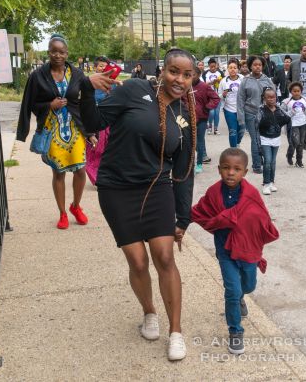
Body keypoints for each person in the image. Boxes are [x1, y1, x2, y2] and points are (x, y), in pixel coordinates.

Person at [80, 48, 197, 361]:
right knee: (138, 262)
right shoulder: (134, 90)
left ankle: (176, 331)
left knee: (163, 256)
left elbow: (183, 172)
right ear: (162, 70)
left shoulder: (185, 117)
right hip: (116, 189)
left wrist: (182, 219)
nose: (179, 79)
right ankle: (149, 313)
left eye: (187, 75)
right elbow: (94, 120)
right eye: (174, 71)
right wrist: (87, 87)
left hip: (157, 189)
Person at [191, 148, 279, 355]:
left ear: (245, 172)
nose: (231, 172)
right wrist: (181, 220)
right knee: (231, 290)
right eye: (226, 168)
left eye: (237, 169)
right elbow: (200, 211)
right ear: (219, 169)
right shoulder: (213, 192)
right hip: (225, 250)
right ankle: (235, 331)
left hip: (248, 249)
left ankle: (242, 296)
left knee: (248, 285)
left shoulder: (251, 194)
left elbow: (261, 219)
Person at [16, 34, 91, 230]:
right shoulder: (38, 76)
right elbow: (29, 103)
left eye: (61, 52)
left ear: (67, 54)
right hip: (52, 130)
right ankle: (62, 213)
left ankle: (75, 206)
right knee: (58, 172)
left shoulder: (76, 74)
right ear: (48, 52)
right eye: (53, 51)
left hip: (75, 129)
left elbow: (85, 103)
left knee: (81, 170)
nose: (57, 55)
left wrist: (91, 131)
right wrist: (50, 104)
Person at [237, 55, 275, 174]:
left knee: (264, 139)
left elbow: (274, 97)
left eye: (260, 65)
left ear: (263, 66)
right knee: (255, 139)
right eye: (255, 65)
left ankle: (264, 160)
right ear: (250, 66)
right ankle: (257, 166)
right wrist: (241, 118)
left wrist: (274, 112)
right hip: (250, 114)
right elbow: (240, 99)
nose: (257, 67)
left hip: (265, 114)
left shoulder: (267, 80)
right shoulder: (246, 80)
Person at [85, 56, 115, 185]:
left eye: (105, 66)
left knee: (108, 150)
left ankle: (104, 176)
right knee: (96, 150)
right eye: (101, 66)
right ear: (95, 67)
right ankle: (96, 177)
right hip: (94, 122)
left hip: (108, 121)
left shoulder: (110, 82)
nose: (103, 68)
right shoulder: (89, 82)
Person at [257, 87, 291, 195]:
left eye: (273, 97)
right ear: (264, 98)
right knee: (267, 161)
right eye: (269, 97)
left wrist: (279, 108)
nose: (271, 99)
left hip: (276, 139)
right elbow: (256, 125)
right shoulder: (261, 110)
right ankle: (266, 184)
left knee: (273, 162)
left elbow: (287, 118)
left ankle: (271, 182)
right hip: (265, 139)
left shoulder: (278, 109)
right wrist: (257, 142)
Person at [191, 66, 221, 174]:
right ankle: (190, 164)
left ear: (199, 75)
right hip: (188, 118)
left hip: (202, 118)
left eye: (193, 74)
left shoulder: (204, 86)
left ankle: (199, 164)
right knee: (190, 142)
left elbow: (216, 98)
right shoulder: (185, 86)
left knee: (199, 141)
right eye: (189, 74)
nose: (191, 77)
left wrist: (207, 107)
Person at [281, 82, 306, 168]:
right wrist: (292, 112)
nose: (296, 93)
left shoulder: (305, 100)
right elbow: (282, 114)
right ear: (291, 92)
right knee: (295, 142)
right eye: (294, 91)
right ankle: (289, 155)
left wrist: (304, 109)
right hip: (292, 125)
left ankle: (299, 161)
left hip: (303, 124)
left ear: (301, 91)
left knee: (301, 143)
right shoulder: (286, 102)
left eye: (298, 91)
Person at [219, 59, 244, 147]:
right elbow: (219, 96)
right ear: (228, 69)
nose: (233, 69)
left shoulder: (242, 79)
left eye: (235, 68)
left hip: (241, 109)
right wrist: (224, 94)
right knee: (233, 131)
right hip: (229, 109)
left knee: (241, 131)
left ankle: (237, 143)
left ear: (238, 69)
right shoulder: (223, 81)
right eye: (230, 68)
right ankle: (233, 150)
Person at [203, 58, 224, 135]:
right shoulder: (205, 73)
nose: (213, 68)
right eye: (211, 66)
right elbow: (204, 84)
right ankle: (209, 126)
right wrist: (213, 82)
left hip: (218, 95)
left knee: (217, 113)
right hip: (209, 96)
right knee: (211, 112)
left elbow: (224, 83)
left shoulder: (220, 73)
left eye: (214, 66)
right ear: (209, 66)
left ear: (216, 66)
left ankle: (216, 129)